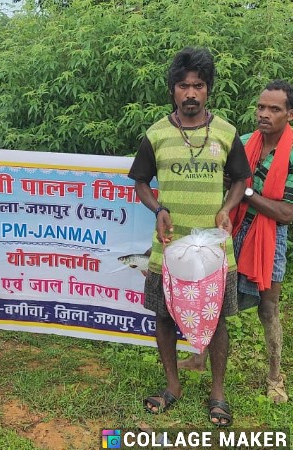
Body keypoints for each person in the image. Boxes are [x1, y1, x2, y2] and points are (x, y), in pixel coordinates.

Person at [128, 47, 251, 427]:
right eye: (184, 86)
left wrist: (226, 209)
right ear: (173, 90)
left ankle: (217, 393)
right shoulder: (156, 134)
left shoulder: (227, 132)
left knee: (217, 321)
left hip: (214, 250)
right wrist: (158, 209)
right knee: (164, 319)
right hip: (167, 249)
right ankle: (172, 386)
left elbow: (242, 181)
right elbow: (141, 182)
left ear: (208, 90)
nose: (191, 93)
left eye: (198, 85)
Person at [178, 80, 293, 404]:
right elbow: (221, 184)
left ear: (290, 114)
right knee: (213, 300)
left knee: (268, 309)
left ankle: (274, 377)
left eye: (274, 109)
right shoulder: (241, 142)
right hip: (232, 226)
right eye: (261, 107)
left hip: (270, 236)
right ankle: (200, 358)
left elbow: (285, 213)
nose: (264, 114)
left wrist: (244, 190)